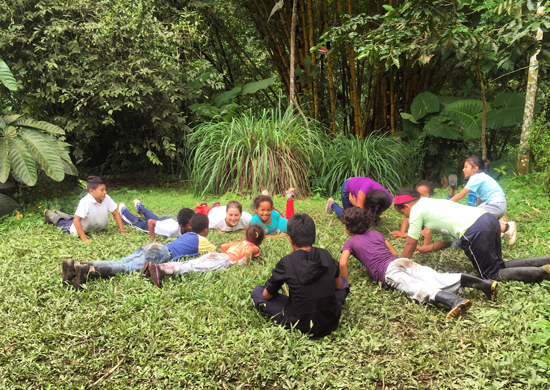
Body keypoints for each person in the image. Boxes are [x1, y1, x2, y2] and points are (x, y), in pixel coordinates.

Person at [340, 207, 497, 320]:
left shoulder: (351, 243)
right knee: (435, 277)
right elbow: (394, 253)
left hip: (388, 272)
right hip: (400, 261)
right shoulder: (375, 233)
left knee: (414, 287)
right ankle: (483, 284)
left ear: (347, 228)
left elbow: (342, 264)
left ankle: (454, 301)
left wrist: (344, 282)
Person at [393, 189, 550, 283]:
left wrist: (400, 265)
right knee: (498, 265)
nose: (405, 216)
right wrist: (424, 249)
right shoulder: (430, 204)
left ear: (406, 206)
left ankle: (543, 272)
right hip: (488, 219)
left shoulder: (416, 210)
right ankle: (546, 260)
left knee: (490, 274)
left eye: (402, 213)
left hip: (475, 230)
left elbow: (410, 243)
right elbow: (446, 242)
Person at [251, 213, 349, 338]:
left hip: (298, 324)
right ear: (314, 237)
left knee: (258, 292)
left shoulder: (286, 263)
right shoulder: (326, 255)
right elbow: (339, 285)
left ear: (290, 239)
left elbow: (266, 295)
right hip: (330, 321)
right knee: (343, 282)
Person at [61, 213, 215, 290]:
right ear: (206, 230)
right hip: (162, 253)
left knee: (119, 263)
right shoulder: (203, 241)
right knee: (125, 268)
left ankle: (75, 265)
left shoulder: (186, 234)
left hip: (152, 246)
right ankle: (89, 270)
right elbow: (216, 253)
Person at [145, 225, 265, 287]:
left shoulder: (240, 243)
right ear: (259, 240)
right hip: (225, 260)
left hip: (217, 255)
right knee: (196, 268)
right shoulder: (255, 247)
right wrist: (243, 263)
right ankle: (163, 270)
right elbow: (249, 252)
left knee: (191, 263)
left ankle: (155, 266)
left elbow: (223, 246)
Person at [448, 156, 517, 245]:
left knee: (472, 218)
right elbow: (480, 198)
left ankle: (506, 227)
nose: (463, 170)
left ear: (475, 168)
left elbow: (461, 195)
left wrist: (445, 203)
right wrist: (478, 210)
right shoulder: (481, 177)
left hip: (495, 204)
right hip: (498, 205)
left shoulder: (476, 177)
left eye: (466, 167)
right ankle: (498, 221)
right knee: (475, 218)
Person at [44, 176, 127, 244]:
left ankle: (57, 212)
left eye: (105, 189)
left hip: (92, 227)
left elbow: (115, 213)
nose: (105, 192)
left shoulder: (105, 198)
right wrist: (84, 239)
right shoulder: (85, 201)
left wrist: (122, 231)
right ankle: (49, 214)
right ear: (91, 191)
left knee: (73, 219)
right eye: (102, 190)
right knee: (62, 223)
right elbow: (76, 221)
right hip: (78, 228)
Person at [325, 177, 392, 225]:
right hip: (349, 187)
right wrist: (356, 204)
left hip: (360, 185)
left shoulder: (387, 200)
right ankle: (332, 204)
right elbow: (360, 216)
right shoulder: (364, 191)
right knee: (348, 218)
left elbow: (375, 212)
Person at [118, 199, 194, 241]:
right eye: (190, 225)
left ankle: (139, 206)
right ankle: (123, 210)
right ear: (181, 226)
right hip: (156, 227)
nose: (193, 226)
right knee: (137, 223)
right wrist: (153, 241)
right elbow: (150, 222)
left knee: (152, 217)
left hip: (166, 220)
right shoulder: (172, 230)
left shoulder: (190, 226)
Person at [391, 180, 433, 245]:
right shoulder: (414, 207)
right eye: (418, 194)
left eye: (423, 195)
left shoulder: (429, 209)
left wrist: (404, 235)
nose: (420, 197)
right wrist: (401, 234)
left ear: (431, 197)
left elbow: (426, 232)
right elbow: (406, 219)